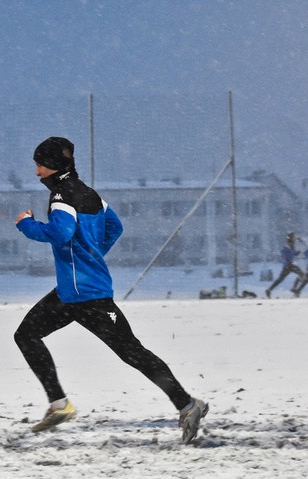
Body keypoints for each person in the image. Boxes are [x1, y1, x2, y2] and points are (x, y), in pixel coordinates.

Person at [13, 136, 208, 444]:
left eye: (38, 165)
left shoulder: (62, 195)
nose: (36, 173)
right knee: (25, 334)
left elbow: (61, 234)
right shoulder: (91, 195)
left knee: (133, 353)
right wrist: (92, 253)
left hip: (88, 296)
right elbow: (115, 227)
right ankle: (59, 404)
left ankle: (188, 404)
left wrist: (26, 224)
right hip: (71, 294)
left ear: (51, 166)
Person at [265, 232, 304, 298]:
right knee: (301, 274)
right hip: (288, 265)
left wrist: (296, 253)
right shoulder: (287, 246)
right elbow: (284, 253)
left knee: (280, 279)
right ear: (291, 238)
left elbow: (292, 253)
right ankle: (295, 289)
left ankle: (269, 290)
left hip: (287, 266)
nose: (295, 238)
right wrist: (287, 260)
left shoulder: (291, 246)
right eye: (294, 237)